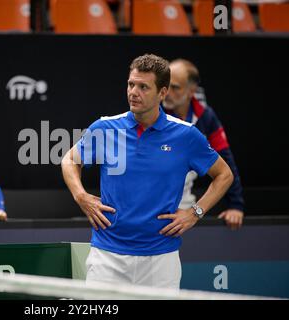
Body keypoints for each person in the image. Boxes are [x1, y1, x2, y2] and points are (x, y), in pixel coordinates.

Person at [61, 53, 233, 289]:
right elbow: (69, 160)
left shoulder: (186, 135)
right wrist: (80, 196)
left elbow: (224, 175)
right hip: (107, 257)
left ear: (162, 93)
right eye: (131, 84)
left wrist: (195, 212)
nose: (134, 92)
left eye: (143, 87)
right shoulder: (105, 127)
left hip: (161, 261)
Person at [163, 59, 244, 230]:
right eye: (166, 85)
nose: (167, 92)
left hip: (183, 202)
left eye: (175, 87)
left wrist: (235, 206)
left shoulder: (206, 117)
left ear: (191, 90)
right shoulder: (154, 113)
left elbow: (226, 163)